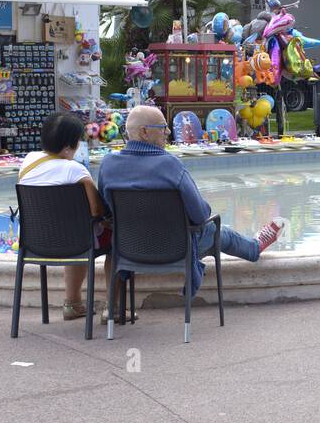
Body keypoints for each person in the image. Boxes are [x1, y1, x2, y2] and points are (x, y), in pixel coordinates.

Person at [98, 106, 285, 300]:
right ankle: (254, 247)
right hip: (174, 249)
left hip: (129, 249)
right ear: (144, 132)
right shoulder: (169, 165)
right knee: (217, 229)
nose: (168, 132)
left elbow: (105, 210)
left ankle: (110, 309)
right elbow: (201, 215)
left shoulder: (108, 164)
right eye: (163, 127)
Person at [17, 112, 113, 322]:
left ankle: (73, 303)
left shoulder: (28, 161)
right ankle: (112, 306)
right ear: (70, 145)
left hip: (36, 242)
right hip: (74, 242)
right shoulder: (75, 170)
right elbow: (96, 210)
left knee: (74, 230)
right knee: (115, 239)